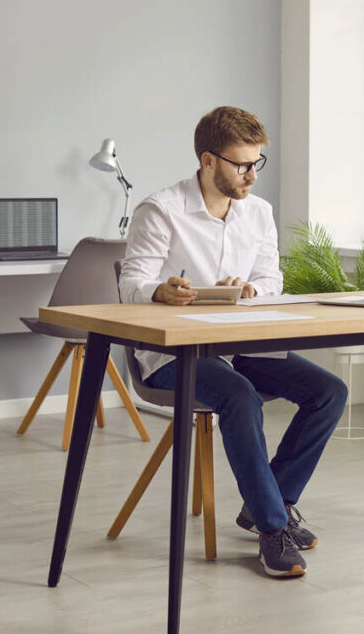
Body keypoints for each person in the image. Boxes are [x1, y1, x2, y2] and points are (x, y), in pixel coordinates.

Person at [119, 106, 348, 578]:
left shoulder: (258, 212)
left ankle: (273, 503)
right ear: (208, 161)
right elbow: (130, 286)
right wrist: (160, 291)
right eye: (242, 165)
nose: (251, 176)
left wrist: (251, 289)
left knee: (329, 393)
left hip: (240, 342)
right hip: (172, 352)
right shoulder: (160, 210)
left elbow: (271, 278)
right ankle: (271, 529)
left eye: (256, 163)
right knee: (240, 397)